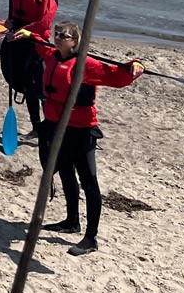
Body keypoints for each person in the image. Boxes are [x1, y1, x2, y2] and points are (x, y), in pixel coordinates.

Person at [32, 19, 143, 257]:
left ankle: (91, 237)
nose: (58, 37)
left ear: (75, 42)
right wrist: (24, 33)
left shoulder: (86, 65)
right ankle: (72, 221)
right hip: (55, 126)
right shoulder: (51, 55)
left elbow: (117, 76)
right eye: (57, 33)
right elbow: (38, 43)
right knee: (64, 172)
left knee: (89, 182)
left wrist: (135, 64)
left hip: (80, 130)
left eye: (64, 35)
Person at [1, 0, 59, 136]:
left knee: (42, 87)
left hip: (36, 42)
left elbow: (44, 23)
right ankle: (36, 126)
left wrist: (25, 32)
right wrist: (9, 23)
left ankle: (52, 124)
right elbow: (13, 16)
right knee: (27, 86)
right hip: (18, 40)